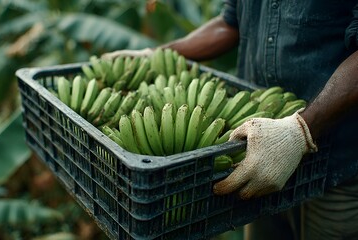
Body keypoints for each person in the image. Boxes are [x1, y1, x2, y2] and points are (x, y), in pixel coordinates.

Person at [103, 1, 358, 239]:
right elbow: (229, 23)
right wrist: (159, 53)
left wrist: (299, 131)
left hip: (333, 166)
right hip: (256, 155)